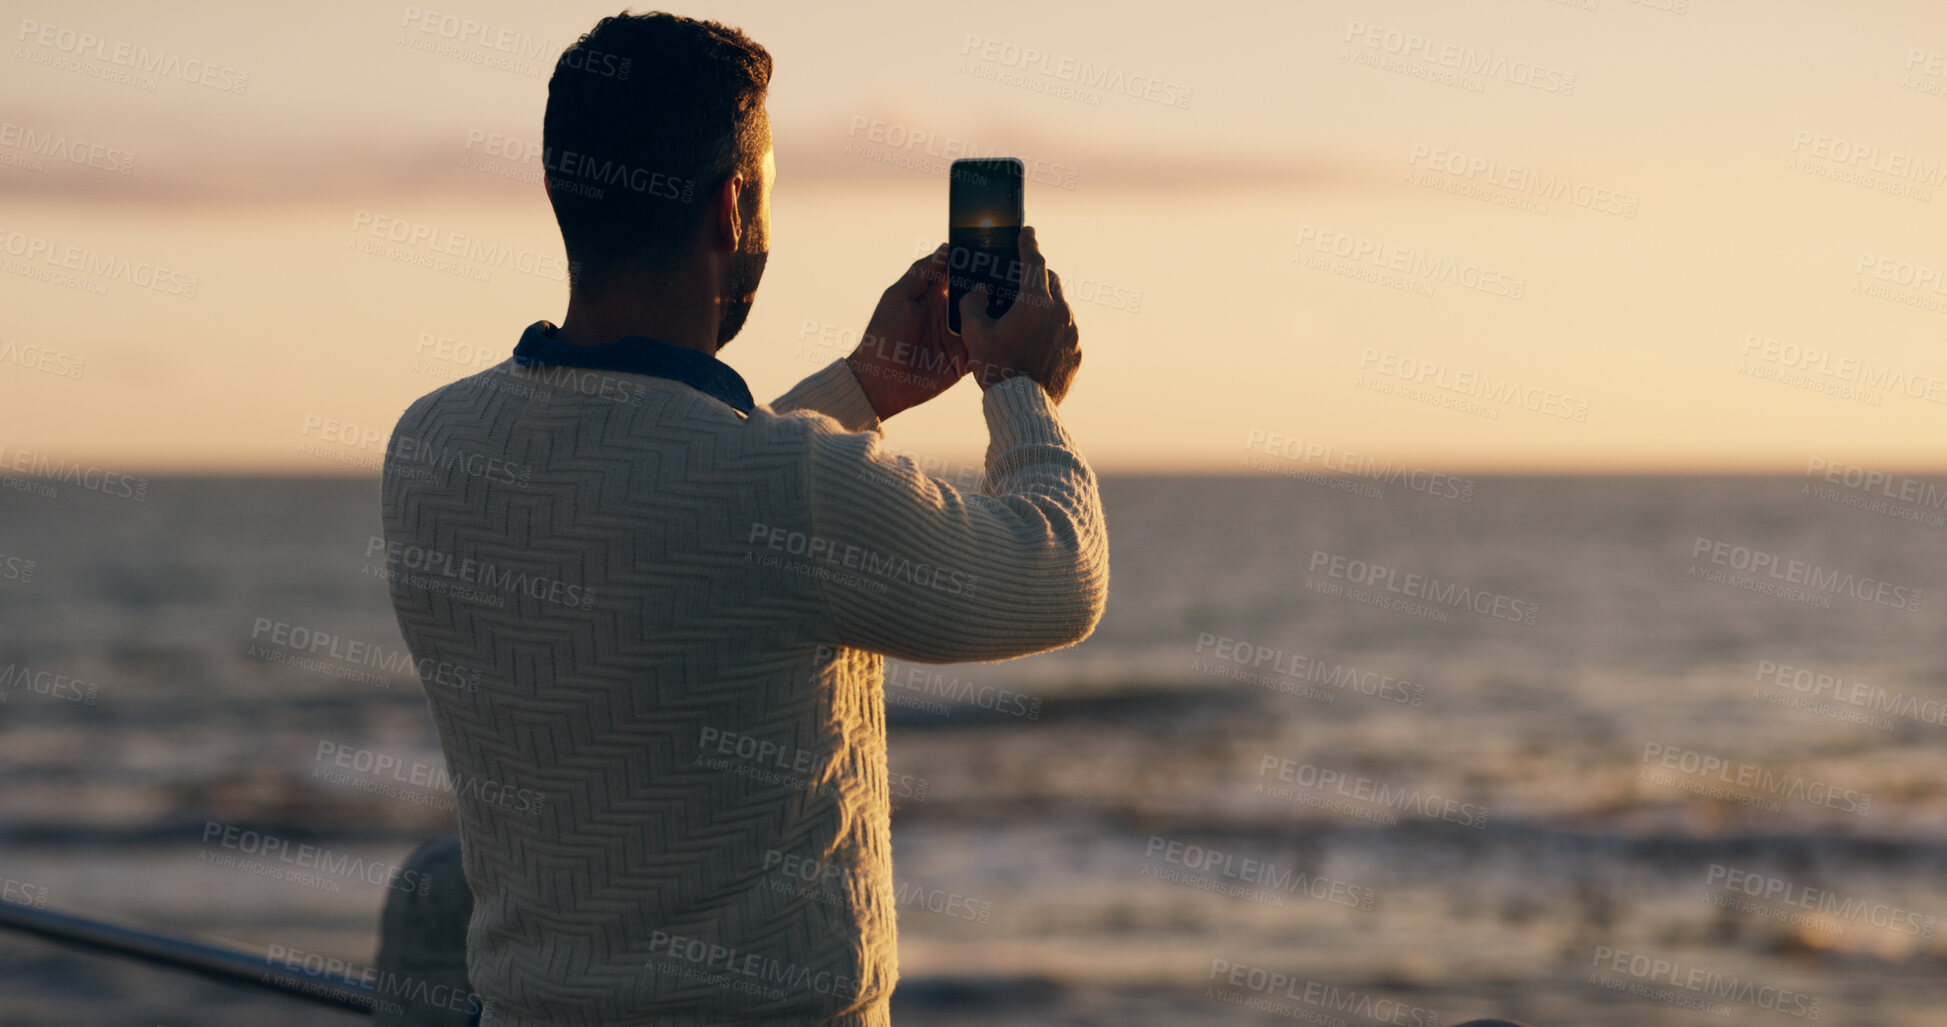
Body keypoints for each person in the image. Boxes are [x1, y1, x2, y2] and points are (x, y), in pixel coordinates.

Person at [377, 10, 1106, 1025]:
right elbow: (1056, 574)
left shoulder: (428, 447)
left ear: (558, 190)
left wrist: (862, 387)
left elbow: (666, 491)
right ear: (731, 205)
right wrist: (1020, 389)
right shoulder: (788, 481)